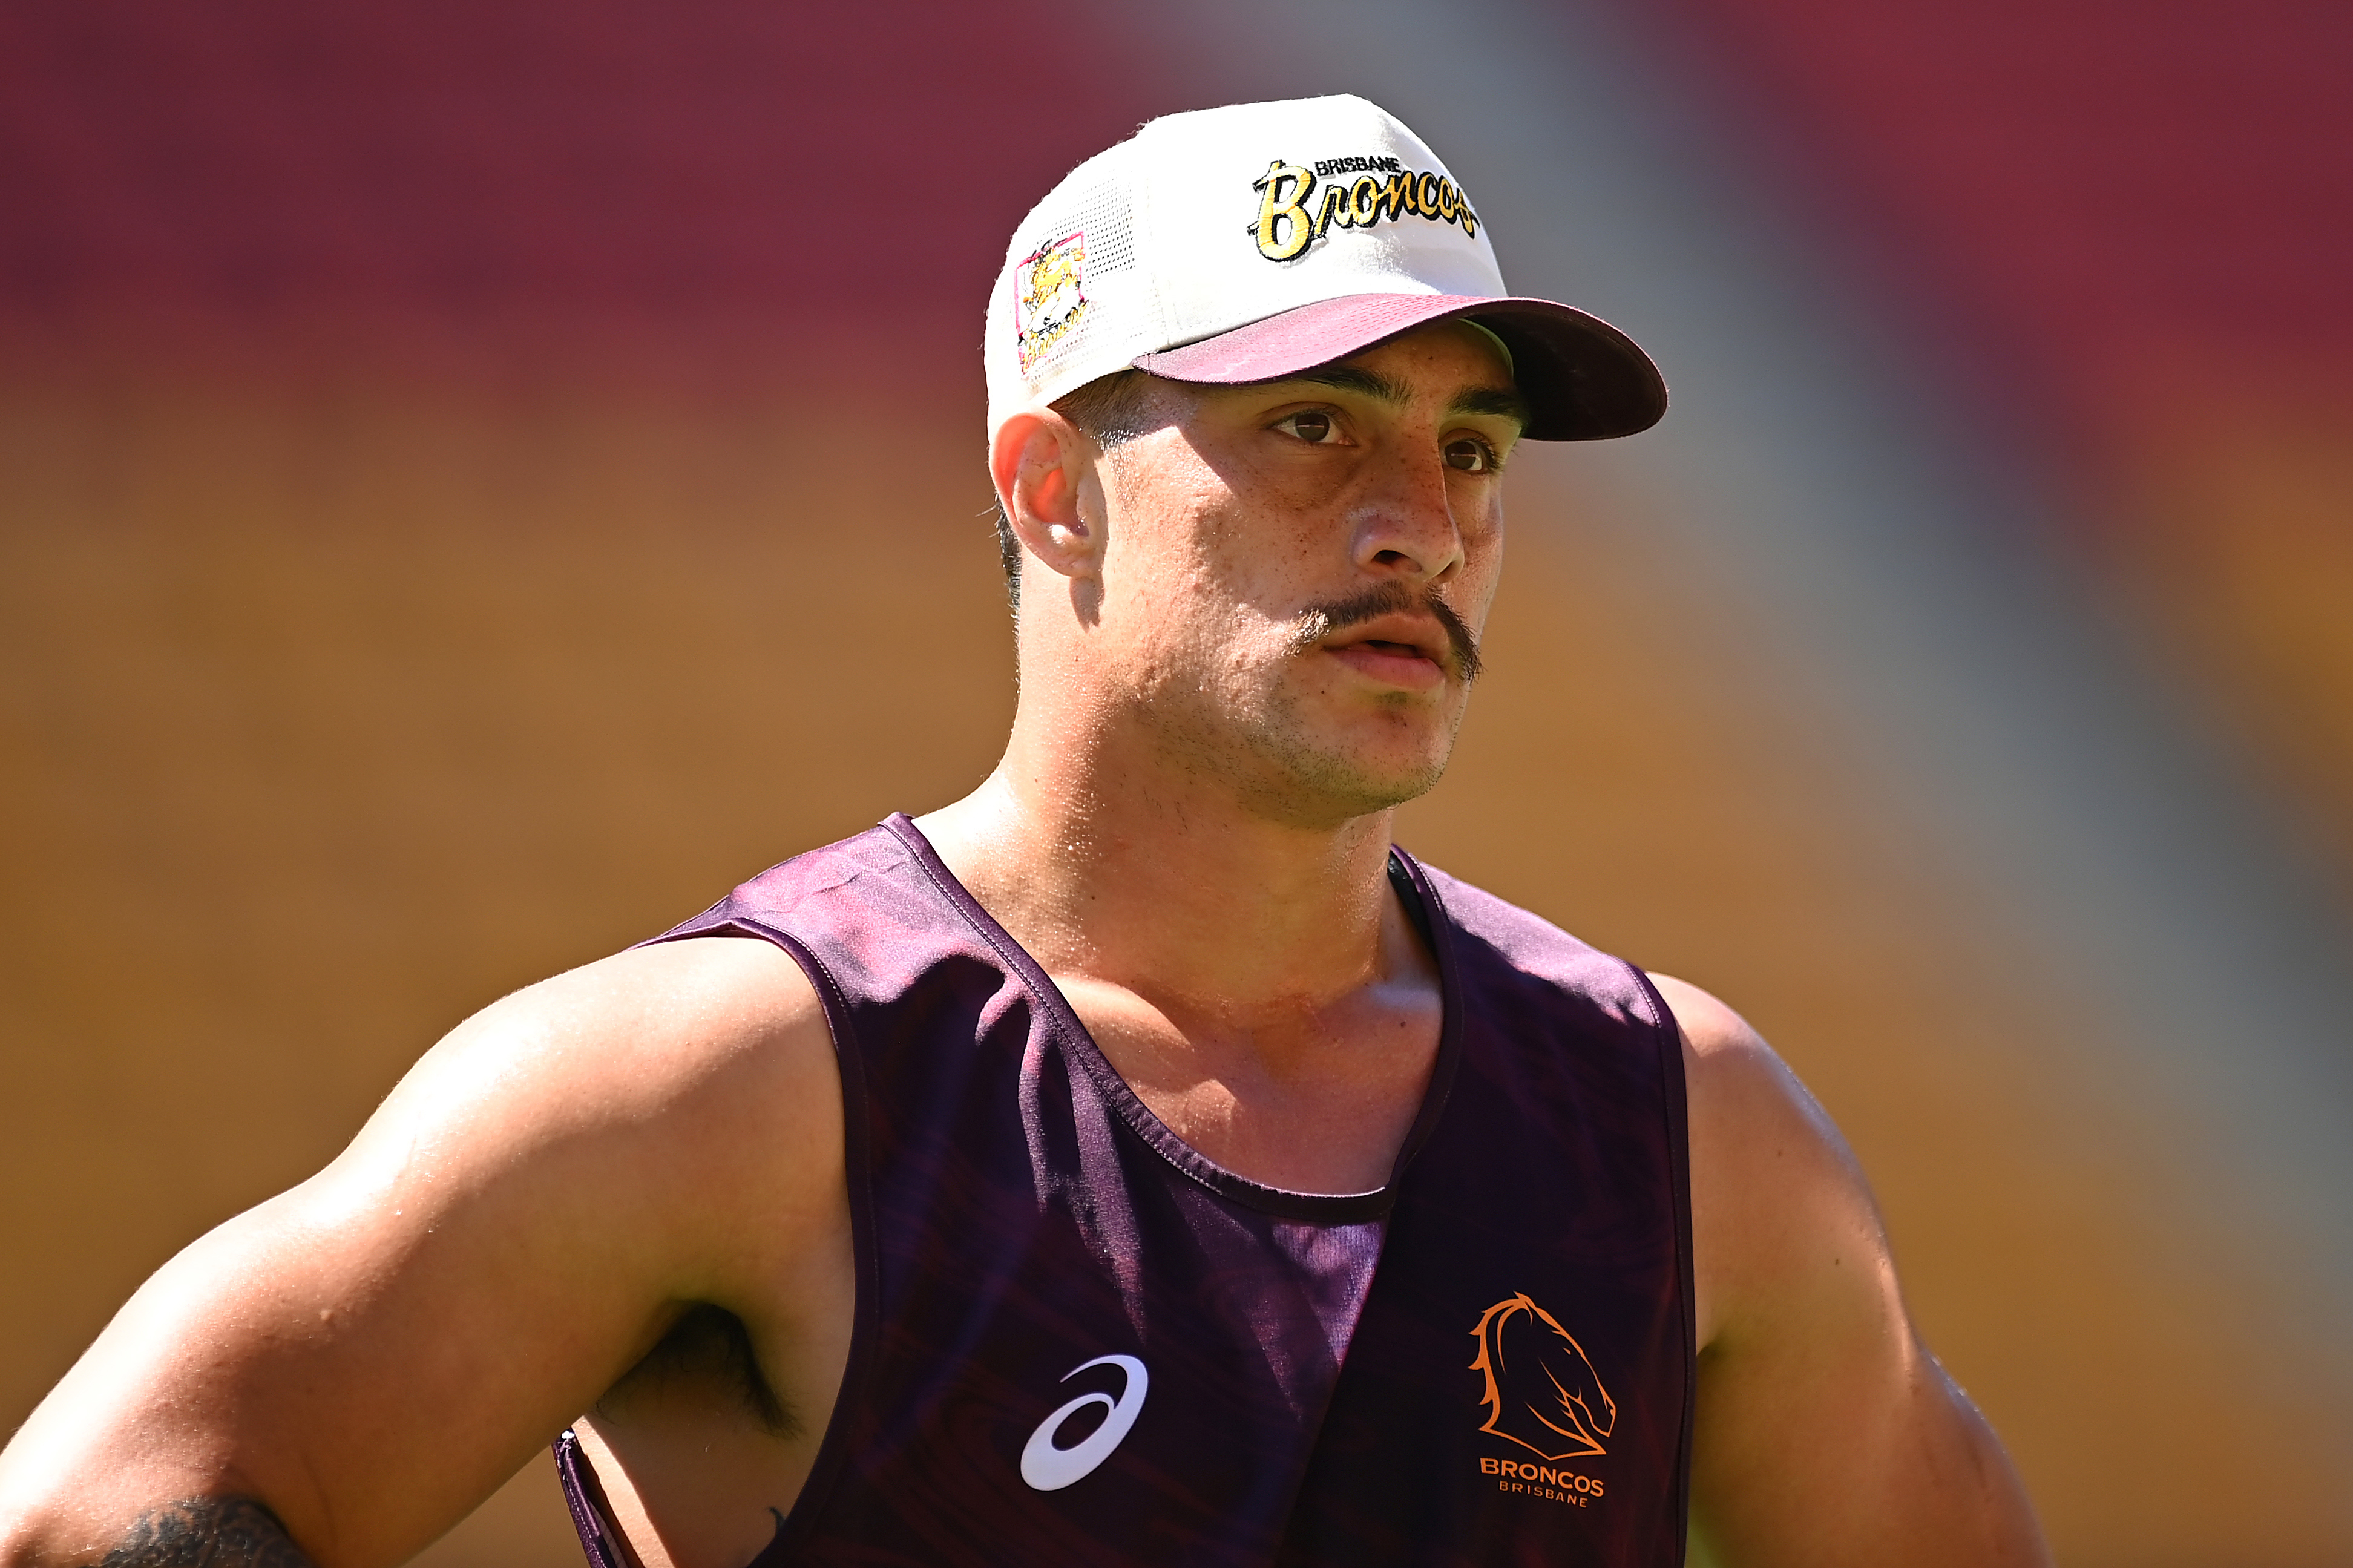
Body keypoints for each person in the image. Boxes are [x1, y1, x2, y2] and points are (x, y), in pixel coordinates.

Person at [0, 95, 2048, 1568]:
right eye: (1313, 425)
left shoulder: (1677, 1126)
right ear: (1050, 485)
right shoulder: (746, 1079)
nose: (1422, 515)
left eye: (1474, 444)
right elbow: (107, 1505)